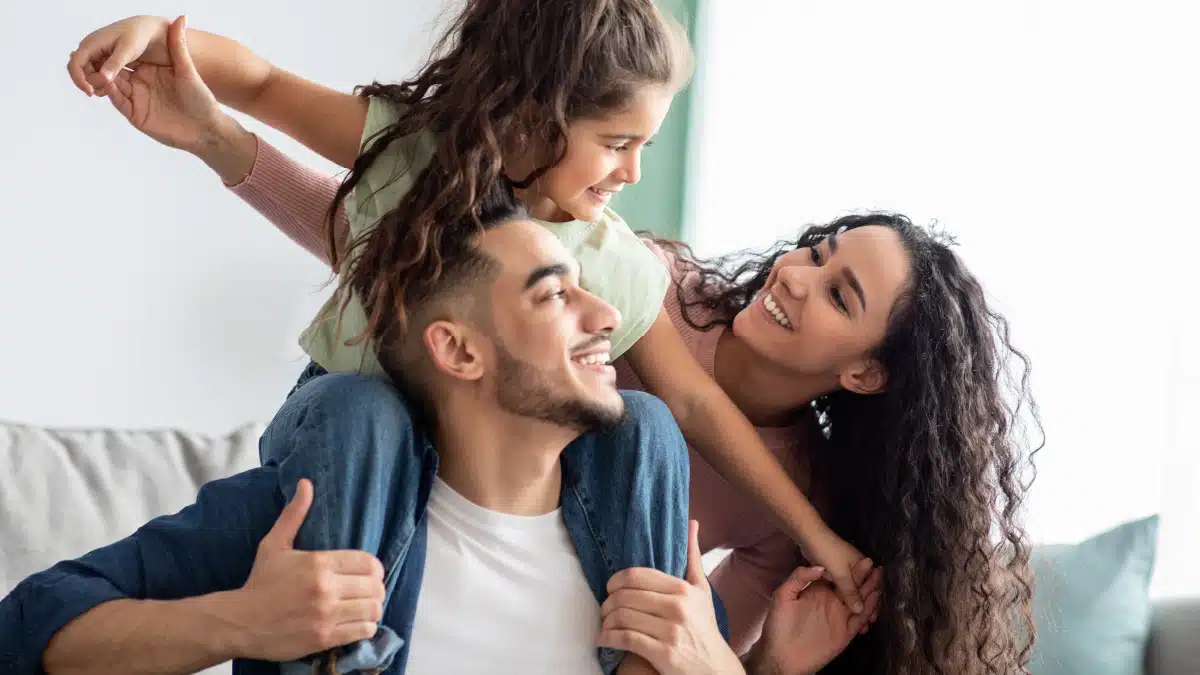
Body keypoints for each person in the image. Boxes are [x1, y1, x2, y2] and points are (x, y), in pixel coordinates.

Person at [70, 9, 1039, 674]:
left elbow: (698, 567)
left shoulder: (635, 345)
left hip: (562, 581)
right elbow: (390, 237)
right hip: (391, 454)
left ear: (866, 369)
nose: (793, 272)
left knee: (648, 425)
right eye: (817, 250)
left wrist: (798, 592)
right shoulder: (628, 274)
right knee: (358, 408)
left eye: (838, 291)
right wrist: (207, 125)